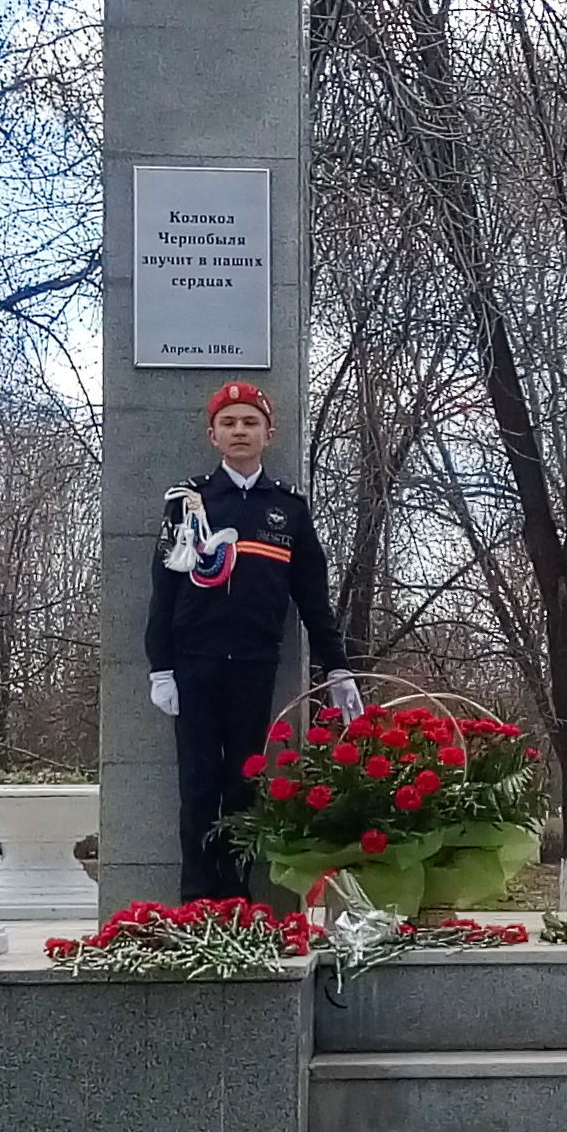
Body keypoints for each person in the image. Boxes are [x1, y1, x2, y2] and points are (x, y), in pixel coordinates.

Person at [147, 382, 363, 900]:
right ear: (213, 437)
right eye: (229, 423)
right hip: (195, 662)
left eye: (249, 422)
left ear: (269, 434)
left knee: (243, 785)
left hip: (255, 662)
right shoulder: (190, 501)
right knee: (199, 786)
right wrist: (161, 666)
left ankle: (237, 901)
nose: (240, 431)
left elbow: (312, 597)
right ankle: (197, 903)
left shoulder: (288, 509)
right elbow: (162, 589)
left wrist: (336, 666)